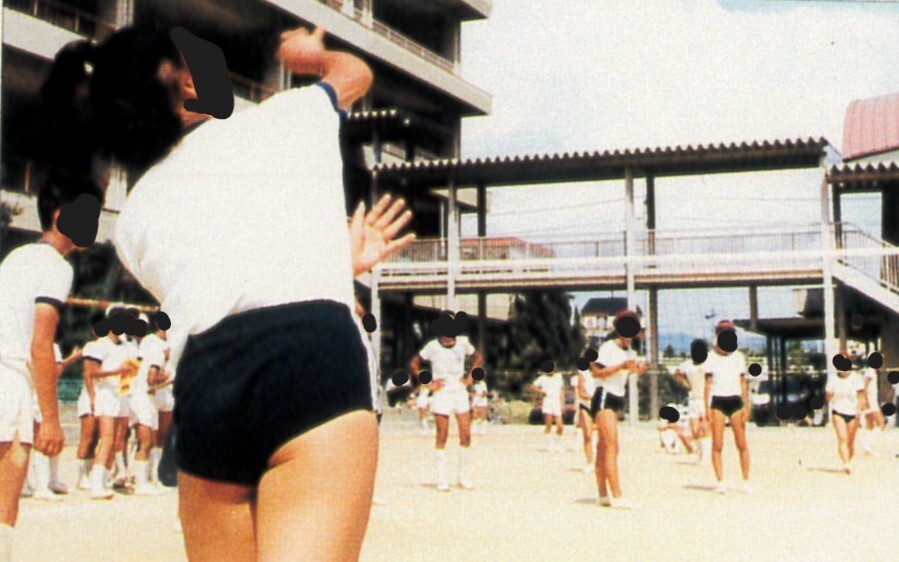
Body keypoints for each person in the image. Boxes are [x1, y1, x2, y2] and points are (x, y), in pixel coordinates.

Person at [40, 23, 412, 559]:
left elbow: (216, 283)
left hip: (210, 380)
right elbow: (355, 73)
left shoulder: (134, 219)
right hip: (311, 357)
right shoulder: (286, 115)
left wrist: (336, 263)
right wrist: (309, 55)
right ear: (188, 85)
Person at [0, 174, 102, 560]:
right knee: (4, 508)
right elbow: (40, 344)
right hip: (10, 380)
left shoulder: (16, 258)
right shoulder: (55, 267)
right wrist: (51, 420)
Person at [409, 322, 483, 492]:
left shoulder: (463, 342)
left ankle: (463, 476)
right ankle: (441, 478)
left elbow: (477, 358)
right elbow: (414, 364)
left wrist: (470, 378)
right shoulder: (432, 346)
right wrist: (428, 382)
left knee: (465, 432)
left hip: (459, 390)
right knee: (442, 434)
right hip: (442, 392)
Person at [589, 310, 648, 509]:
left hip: (617, 398)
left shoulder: (631, 352)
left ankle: (602, 494)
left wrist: (637, 370)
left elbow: (626, 374)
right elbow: (596, 372)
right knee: (612, 446)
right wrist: (620, 366)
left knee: (603, 448)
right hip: (604, 396)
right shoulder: (608, 347)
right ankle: (617, 496)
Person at [81, 320, 134, 499]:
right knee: (107, 438)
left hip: (122, 394)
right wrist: (117, 371)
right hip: (106, 394)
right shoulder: (100, 345)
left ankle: (104, 480)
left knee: (117, 441)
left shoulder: (126, 346)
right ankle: (95, 484)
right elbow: (92, 373)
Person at [704, 320, 751, 495]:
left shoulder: (738, 357)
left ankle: (745, 481)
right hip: (718, 401)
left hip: (735, 400)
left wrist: (746, 406)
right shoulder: (710, 357)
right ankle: (720, 481)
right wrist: (707, 408)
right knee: (717, 443)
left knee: (742, 443)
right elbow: (707, 384)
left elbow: (743, 383)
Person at [825, 352, 865, 474]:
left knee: (850, 441)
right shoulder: (833, 379)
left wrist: (859, 411)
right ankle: (846, 463)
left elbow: (861, 396)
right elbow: (829, 397)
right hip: (838, 411)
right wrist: (829, 394)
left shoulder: (856, 378)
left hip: (853, 412)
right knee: (843, 438)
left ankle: (849, 460)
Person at [672, 341, 712, 464]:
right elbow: (677, 373)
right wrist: (685, 383)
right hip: (693, 400)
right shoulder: (688, 365)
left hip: (706, 399)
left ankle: (706, 456)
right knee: (695, 429)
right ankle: (700, 453)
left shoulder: (709, 364)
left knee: (705, 428)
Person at [530, 370, 564, 452]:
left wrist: (562, 403)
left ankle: (557, 443)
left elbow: (562, 391)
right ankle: (549, 445)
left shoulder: (559, 377)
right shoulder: (542, 378)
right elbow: (532, 387)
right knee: (549, 425)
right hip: (548, 402)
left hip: (556, 403)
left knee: (560, 426)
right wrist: (541, 391)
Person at [859, 361, 885, 455]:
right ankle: (869, 444)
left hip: (871, 400)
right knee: (881, 423)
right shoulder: (870, 372)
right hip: (870, 401)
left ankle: (867, 445)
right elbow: (864, 387)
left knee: (869, 425)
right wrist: (865, 400)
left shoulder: (871, 371)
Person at [575, 366, 597, 472]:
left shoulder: (603, 369)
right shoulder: (583, 372)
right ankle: (590, 462)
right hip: (586, 405)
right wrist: (590, 397)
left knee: (603, 435)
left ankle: (601, 461)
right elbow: (580, 392)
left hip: (600, 406)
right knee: (588, 434)